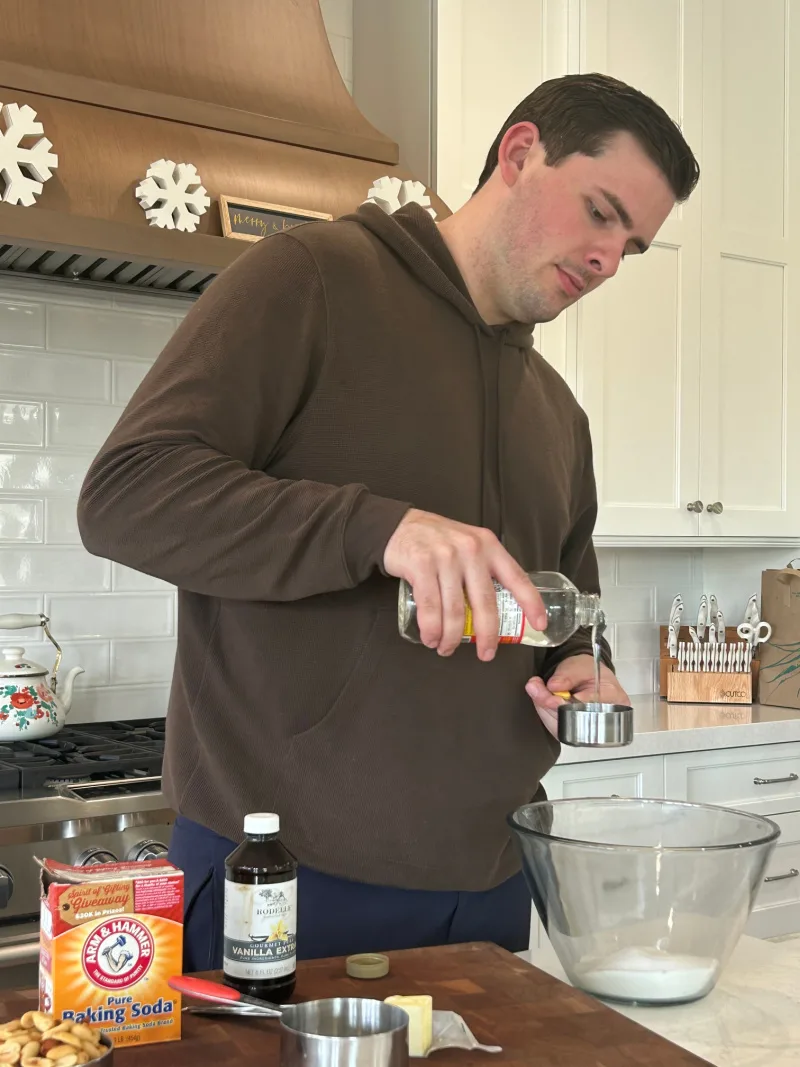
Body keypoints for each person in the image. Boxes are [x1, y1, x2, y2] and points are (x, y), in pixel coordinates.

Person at [77, 72, 699, 970]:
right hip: (287, 872)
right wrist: (377, 528)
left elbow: (574, 608)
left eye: (631, 246)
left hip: (489, 884)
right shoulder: (310, 280)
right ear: (520, 154)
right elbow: (126, 494)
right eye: (600, 213)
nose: (608, 260)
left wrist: (578, 668)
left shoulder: (558, 411)